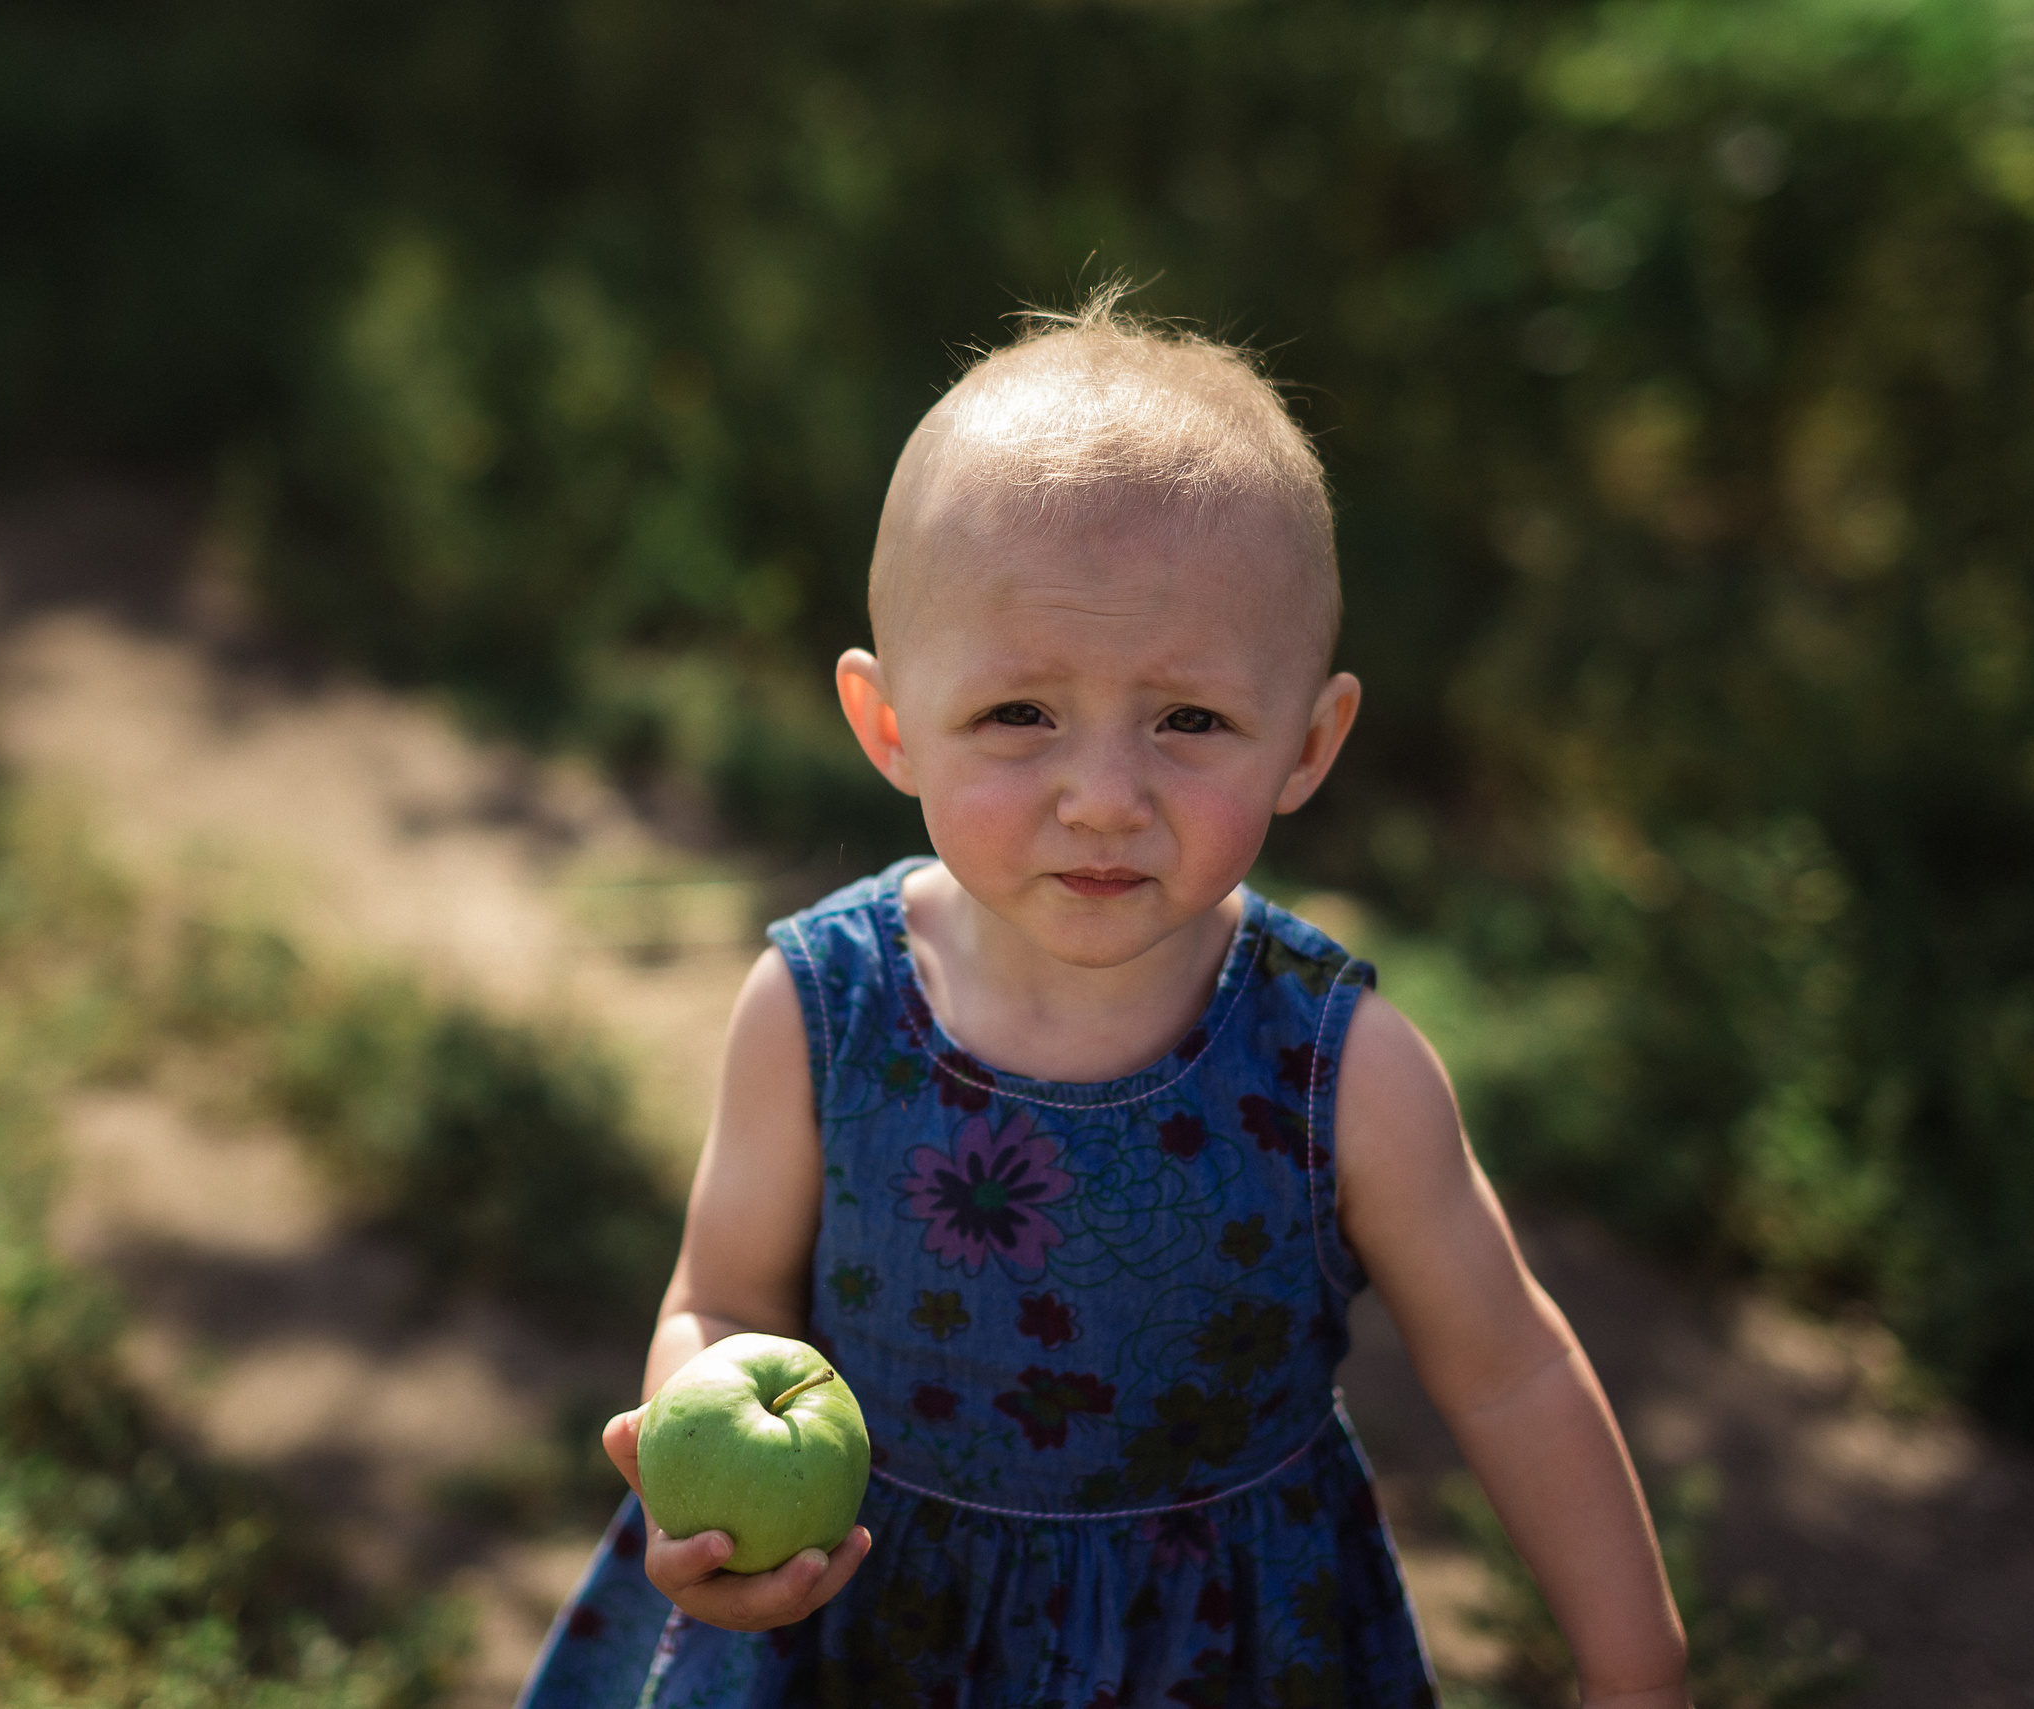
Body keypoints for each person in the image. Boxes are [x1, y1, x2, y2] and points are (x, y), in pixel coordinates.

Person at [517, 289, 1689, 1709]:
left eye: (1190, 718)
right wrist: (700, 1483)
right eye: (1021, 713)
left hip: (1219, 1656)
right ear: (888, 723)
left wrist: (1639, 1668)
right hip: (870, 1627)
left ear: (1308, 743)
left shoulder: (1337, 1065)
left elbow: (1508, 1370)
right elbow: (722, 1295)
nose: (1104, 797)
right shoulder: (822, 1012)